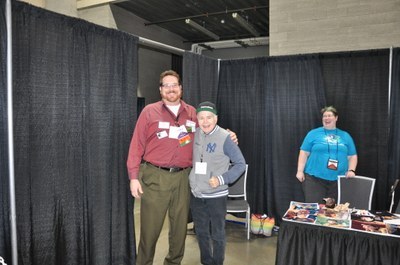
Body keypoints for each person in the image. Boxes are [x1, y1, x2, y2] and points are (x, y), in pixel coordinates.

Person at [127, 70, 237, 265]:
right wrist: (133, 176)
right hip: (155, 176)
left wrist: (228, 135)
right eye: (166, 85)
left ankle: (173, 262)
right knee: (150, 230)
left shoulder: (193, 113)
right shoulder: (149, 112)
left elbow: (209, 128)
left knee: (179, 230)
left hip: (184, 178)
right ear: (160, 90)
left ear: (181, 88)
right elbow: (136, 145)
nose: (171, 89)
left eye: (174, 85)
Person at [189, 101, 246, 265]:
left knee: (218, 232)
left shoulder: (225, 137)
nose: (205, 121)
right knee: (201, 231)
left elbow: (240, 164)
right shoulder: (194, 133)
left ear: (216, 118)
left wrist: (222, 179)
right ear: (197, 120)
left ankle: (217, 262)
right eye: (201, 118)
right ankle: (206, 261)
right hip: (197, 194)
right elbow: (178, 139)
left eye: (209, 117)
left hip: (216, 195)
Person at [296, 106, 358, 204]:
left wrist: (351, 170)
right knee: (314, 209)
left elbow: (352, 156)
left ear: (336, 118)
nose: (326, 118)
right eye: (324, 116)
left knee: (334, 212)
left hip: (338, 181)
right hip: (315, 179)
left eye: (329, 116)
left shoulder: (345, 136)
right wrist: (300, 171)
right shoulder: (313, 133)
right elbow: (303, 153)